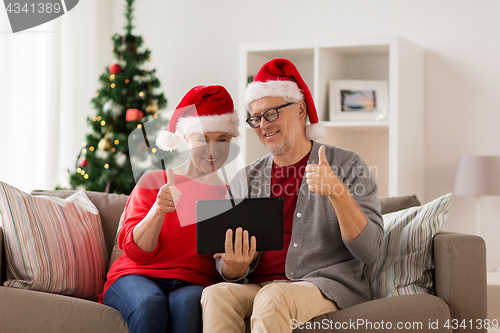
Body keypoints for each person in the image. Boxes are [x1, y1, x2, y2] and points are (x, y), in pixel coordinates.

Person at [201, 58, 384, 333]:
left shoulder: (347, 165)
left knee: (272, 299)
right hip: (260, 287)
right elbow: (228, 271)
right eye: (256, 118)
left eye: (272, 113)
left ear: (300, 110)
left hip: (324, 287)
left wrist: (337, 193)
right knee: (215, 295)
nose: (263, 125)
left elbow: (370, 250)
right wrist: (234, 266)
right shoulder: (245, 179)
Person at [100, 85, 240, 333]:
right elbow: (135, 252)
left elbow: (225, 267)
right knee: (150, 303)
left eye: (222, 140)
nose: (212, 150)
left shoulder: (231, 196)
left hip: (194, 283)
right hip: (136, 276)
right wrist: (157, 210)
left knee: (188, 306)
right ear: (185, 139)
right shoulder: (153, 181)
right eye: (202, 139)